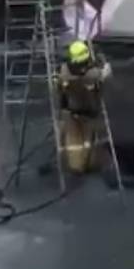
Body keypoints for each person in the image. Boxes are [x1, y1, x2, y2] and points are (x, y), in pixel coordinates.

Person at [57, 40, 109, 174]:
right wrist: (102, 62)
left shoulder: (64, 71)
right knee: (89, 141)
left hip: (70, 111)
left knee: (73, 142)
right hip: (89, 113)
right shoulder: (92, 75)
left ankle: (77, 165)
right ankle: (88, 163)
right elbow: (105, 74)